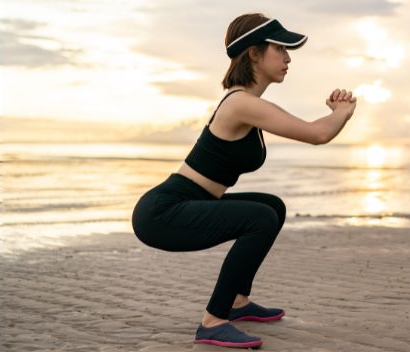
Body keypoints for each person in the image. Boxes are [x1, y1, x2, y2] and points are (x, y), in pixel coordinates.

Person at [130, 12, 357, 349]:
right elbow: (317, 134)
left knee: (272, 207)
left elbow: (315, 132)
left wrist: (337, 115)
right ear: (253, 53)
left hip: (190, 202)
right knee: (260, 217)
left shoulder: (248, 104)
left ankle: (238, 302)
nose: (288, 58)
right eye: (280, 49)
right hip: (162, 212)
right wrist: (341, 112)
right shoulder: (241, 104)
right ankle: (213, 321)